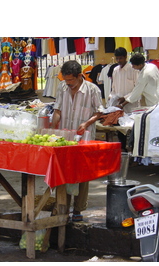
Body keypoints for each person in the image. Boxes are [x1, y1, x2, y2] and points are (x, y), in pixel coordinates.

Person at [52, 60, 103, 222]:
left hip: (84, 138)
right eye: (66, 80)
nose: (68, 84)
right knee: (64, 172)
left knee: (82, 174)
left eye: (71, 81)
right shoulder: (62, 87)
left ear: (80, 76)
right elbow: (58, 110)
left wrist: (87, 123)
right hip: (66, 138)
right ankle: (63, 206)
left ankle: (78, 209)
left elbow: (99, 112)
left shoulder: (92, 90)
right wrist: (53, 128)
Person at [108, 47, 139, 151]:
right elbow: (114, 88)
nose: (118, 61)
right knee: (120, 128)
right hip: (118, 105)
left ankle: (134, 151)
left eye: (120, 58)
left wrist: (125, 99)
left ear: (125, 57)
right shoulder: (115, 70)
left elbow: (137, 88)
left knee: (133, 128)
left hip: (131, 104)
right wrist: (112, 99)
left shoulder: (133, 69)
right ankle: (123, 150)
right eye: (117, 58)